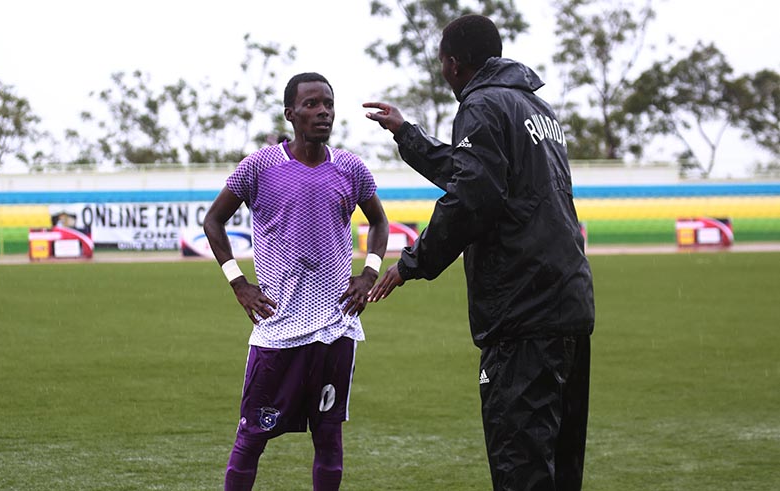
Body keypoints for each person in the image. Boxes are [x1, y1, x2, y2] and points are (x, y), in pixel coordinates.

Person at [363, 14, 595, 491]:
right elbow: (478, 173)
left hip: (523, 314)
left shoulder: (482, 104)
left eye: (441, 63)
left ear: (453, 63)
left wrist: (411, 263)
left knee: (522, 471)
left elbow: (473, 197)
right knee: (561, 467)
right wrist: (407, 134)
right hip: (567, 306)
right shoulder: (537, 108)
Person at [204, 72, 388, 491]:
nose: (323, 112)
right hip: (278, 330)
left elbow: (379, 221)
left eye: (328, 104)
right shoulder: (260, 166)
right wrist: (238, 283)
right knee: (251, 437)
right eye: (311, 104)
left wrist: (369, 273)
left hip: (335, 328)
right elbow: (213, 220)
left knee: (329, 438)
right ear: (290, 114)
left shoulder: (350, 168)